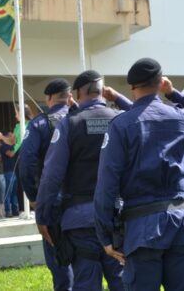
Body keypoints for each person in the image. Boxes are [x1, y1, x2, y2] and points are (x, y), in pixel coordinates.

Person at [95, 58, 184, 291]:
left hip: (141, 229)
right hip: (180, 224)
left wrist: (106, 235)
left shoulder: (121, 125)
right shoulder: (182, 117)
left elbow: (107, 184)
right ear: (160, 82)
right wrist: (174, 93)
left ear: (133, 88)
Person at [37, 71, 124, 291]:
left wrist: (43, 216)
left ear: (78, 93)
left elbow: (52, 175)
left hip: (81, 220)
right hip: (118, 217)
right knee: (123, 282)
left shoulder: (70, 124)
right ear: (102, 91)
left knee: (86, 283)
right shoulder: (122, 120)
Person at [15, 79, 75, 290]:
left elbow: (26, 163)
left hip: (53, 202)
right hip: (86, 201)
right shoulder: (81, 118)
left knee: (59, 259)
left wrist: (34, 197)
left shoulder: (40, 123)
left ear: (49, 98)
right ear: (69, 97)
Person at [0, 130, 20, 217]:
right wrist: (18, 146)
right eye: (11, 136)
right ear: (6, 137)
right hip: (9, 171)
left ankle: (15, 210)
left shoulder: (13, 146)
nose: (13, 137)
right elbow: (11, 154)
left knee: (14, 191)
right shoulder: (4, 146)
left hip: (15, 171)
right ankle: (8, 210)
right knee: (9, 191)